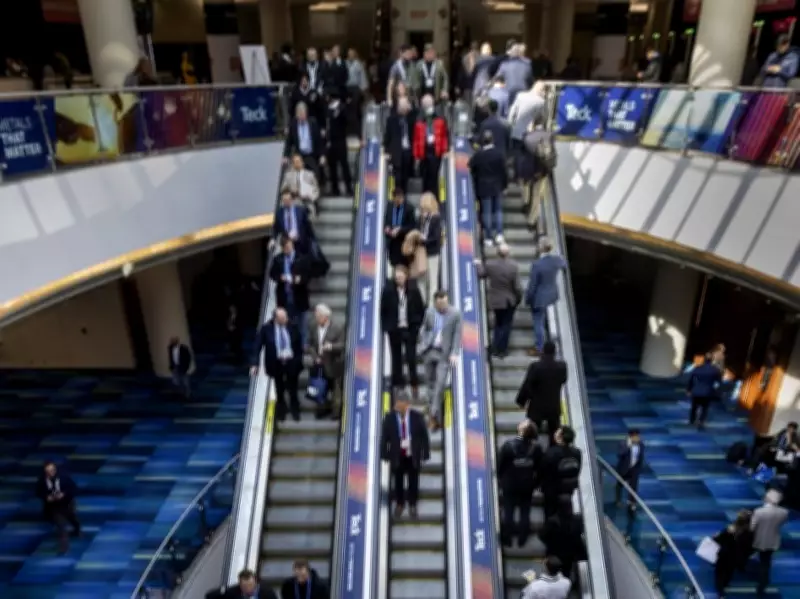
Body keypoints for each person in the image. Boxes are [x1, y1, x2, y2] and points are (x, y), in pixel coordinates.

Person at [381, 390, 431, 519]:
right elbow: (384, 437)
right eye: (397, 402)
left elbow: (424, 436)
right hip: (397, 455)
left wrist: (425, 453)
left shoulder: (416, 417)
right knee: (398, 481)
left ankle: (412, 504)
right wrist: (384, 453)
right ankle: (399, 503)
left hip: (412, 454)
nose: (397, 404)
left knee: (413, 480)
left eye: (400, 402)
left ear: (406, 404)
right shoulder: (390, 417)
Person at [419, 290, 462, 430]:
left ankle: (433, 415)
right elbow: (423, 328)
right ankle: (431, 406)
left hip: (444, 354)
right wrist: (424, 342)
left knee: (440, 386)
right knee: (429, 382)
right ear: (435, 303)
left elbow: (457, 334)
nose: (443, 306)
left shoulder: (455, 314)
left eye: (444, 303)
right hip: (429, 351)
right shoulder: (430, 312)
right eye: (440, 304)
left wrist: (455, 352)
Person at [251, 307, 303, 422]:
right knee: (279, 388)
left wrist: (299, 359)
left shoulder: (292, 326)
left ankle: (295, 410)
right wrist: (255, 363)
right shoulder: (266, 329)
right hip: (275, 363)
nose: (286, 319)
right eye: (283, 318)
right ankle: (281, 411)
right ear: (276, 318)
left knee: (293, 388)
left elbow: (299, 344)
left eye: (286, 317)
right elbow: (257, 346)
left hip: (291, 362)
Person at [496, 420, 542, 547]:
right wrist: (535, 483)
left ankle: (507, 539)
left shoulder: (508, 446)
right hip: (527, 485)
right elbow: (539, 468)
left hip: (510, 484)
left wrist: (501, 480)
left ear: (521, 430)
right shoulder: (536, 448)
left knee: (508, 511)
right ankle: (522, 538)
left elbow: (500, 466)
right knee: (525, 512)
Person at [381, 265, 425, 395]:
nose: (398, 279)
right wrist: (386, 326)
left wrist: (416, 325)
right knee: (396, 357)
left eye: (401, 277)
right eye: (396, 277)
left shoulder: (413, 290)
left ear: (406, 277)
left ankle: (414, 383)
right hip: (394, 329)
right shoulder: (388, 289)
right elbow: (383, 309)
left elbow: (420, 309)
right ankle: (398, 383)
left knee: (411, 357)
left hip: (409, 328)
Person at [474, 242, 520, 356]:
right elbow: (517, 287)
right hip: (509, 301)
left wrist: (478, 264)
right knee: (507, 325)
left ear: (497, 253)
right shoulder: (513, 266)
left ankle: (495, 347)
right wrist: (518, 299)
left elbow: (481, 274)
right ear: (508, 253)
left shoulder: (490, 265)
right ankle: (502, 350)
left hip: (496, 301)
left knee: (498, 323)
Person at [515, 341, 567, 441]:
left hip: (536, 406)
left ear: (543, 351)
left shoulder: (535, 367)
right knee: (554, 433)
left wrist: (521, 401)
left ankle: (533, 450)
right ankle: (553, 452)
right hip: (553, 406)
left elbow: (527, 385)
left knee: (531, 433)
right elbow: (563, 380)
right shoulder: (562, 367)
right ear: (554, 352)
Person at [525, 237, 566, 355]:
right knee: (543, 318)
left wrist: (528, 299)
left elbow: (532, 285)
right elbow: (564, 264)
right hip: (552, 294)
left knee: (538, 321)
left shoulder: (537, 265)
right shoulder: (557, 260)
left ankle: (539, 347)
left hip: (540, 298)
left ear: (541, 248)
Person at [269, 235, 312, 349]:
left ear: (292, 244)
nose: (287, 249)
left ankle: (303, 344)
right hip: (285, 295)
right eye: (285, 248)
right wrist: (280, 277)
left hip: (299, 295)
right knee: (287, 322)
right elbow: (272, 274)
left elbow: (308, 275)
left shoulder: (302, 258)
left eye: (288, 246)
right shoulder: (278, 259)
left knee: (302, 322)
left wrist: (300, 279)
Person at [469, 129, 507, 247]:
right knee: (498, 210)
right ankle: (499, 234)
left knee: (486, 212)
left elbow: (470, 166)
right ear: (492, 140)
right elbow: (504, 171)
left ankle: (488, 237)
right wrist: (504, 185)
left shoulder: (479, 155)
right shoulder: (499, 153)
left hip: (483, 187)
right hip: (497, 186)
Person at [307, 303, 346, 419]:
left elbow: (343, 345)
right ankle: (321, 410)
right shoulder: (313, 326)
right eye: (316, 316)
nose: (317, 318)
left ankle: (335, 413)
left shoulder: (338, 327)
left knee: (336, 390)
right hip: (318, 364)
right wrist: (315, 357)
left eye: (319, 316)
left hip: (333, 364)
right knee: (318, 388)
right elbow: (309, 345)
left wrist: (331, 347)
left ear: (326, 317)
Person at [751, 489, 789, 597]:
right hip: (773, 540)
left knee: (762, 561)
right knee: (766, 560)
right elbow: (782, 523)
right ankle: (764, 579)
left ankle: (762, 582)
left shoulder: (759, 512)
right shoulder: (784, 512)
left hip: (759, 539)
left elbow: (752, 527)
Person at [36, 462, 80, 554]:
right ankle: (64, 548)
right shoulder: (42, 481)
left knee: (72, 518)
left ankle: (77, 530)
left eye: (52, 470)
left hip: (67, 503)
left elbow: (74, 489)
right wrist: (46, 497)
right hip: (54, 507)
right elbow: (38, 492)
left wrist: (63, 494)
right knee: (61, 526)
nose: (51, 472)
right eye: (48, 471)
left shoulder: (64, 478)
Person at [508, 81, 547, 181]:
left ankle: (516, 176)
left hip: (516, 130)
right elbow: (542, 118)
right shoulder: (540, 102)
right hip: (529, 133)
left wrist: (510, 126)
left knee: (516, 154)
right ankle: (524, 177)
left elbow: (512, 112)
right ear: (542, 90)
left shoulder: (520, 96)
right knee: (527, 156)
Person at [541, 426, 582, 518]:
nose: (555, 434)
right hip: (568, 487)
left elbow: (544, 470)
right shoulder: (577, 452)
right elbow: (577, 469)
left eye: (557, 433)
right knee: (565, 512)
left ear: (560, 437)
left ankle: (551, 529)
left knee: (550, 512)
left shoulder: (551, 453)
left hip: (552, 488)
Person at [540, 498, 586, 579]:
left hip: (555, 552)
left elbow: (542, 536)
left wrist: (550, 543)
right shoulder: (577, 520)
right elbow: (580, 532)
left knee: (553, 573)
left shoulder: (552, 521)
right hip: (570, 553)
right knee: (566, 571)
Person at [712, 510, 754, 599]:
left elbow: (717, 540)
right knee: (729, 572)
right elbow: (750, 546)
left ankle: (720, 591)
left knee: (719, 573)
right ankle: (725, 585)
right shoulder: (750, 533)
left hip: (724, 555)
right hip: (736, 556)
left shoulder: (729, 530)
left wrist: (716, 536)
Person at [413, 94, 449, 197]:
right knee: (425, 179)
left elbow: (444, 136)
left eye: (429, 105)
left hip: (435, 151)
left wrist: (445, 150)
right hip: (424, 152)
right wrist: (416, 156)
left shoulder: (440, 119)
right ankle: (425, 201)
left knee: (434, 178)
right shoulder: (419, 121)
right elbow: (416, 140)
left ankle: (434, 200)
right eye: (426, 105)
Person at [284, 103, 325, 186]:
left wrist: (322, 155)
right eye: (300, 114)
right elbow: (289, 142)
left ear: (306, 113)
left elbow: (319, 141)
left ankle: (314, 192)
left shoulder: (313, 123)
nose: (302, 117)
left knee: (315, 174)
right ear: (296, 115)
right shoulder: (293, 125)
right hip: (300, 155)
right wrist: (286, 156)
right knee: (298, 176)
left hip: (311, 154)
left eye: (303, 114)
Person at [324, 88, 354, 197]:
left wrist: (341, 112)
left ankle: (349, 188)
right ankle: (335, 189)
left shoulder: (342, 107)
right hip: (330, 141)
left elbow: (348, 121)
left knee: (344, 164)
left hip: (340, 140)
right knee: (332, 166)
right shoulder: (327, 109)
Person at [384, 97, 415, 193]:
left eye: (405, 106)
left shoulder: (410, 118)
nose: (403, 108)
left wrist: (411, 109)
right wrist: (386, 151)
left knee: (405, 176)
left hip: (407, 150)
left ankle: (404, 196)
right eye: (401, 106)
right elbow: (387, 137)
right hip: (396, 151)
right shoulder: (391, 119)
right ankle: (397, 195)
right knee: (397, 176)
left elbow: (418, 114)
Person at [417, 192, 442, 305]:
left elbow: (436, 237)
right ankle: (422, 303)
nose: (423, 210)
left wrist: (424, 240)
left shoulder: (436, 218)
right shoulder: (421, 219)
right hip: (422, 253)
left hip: (432, 253)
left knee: (432, 281)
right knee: (421, 280)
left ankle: (431, 305)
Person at [686, 354, 722, 430]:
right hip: (707, 391)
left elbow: (691, 380)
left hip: (696, 391)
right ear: (711, 361)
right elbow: (719, 382)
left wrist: (689, 390)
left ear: (704, 360)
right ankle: (701, 422)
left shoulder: (698, 368)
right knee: (705, 408)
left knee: (694, 407)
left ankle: (692, 420)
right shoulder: (715, 370)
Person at [383, 187, 416, 269]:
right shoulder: (389, 206)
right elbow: (386, 221)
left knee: (404, 266)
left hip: (404, 241)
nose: (398, 202)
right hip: (392, 242)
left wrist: (400, 229)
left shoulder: (409, 208)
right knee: (393, 264)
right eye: (396, 200)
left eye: (400, 199)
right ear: (393, 198)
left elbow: (412, 226)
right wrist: (387, 228)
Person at [274, 189, 314, 254]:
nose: (287, 202)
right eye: (285, 200)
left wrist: (311, 240)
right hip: (287, 244)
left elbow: (308, 226)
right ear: (282, 201)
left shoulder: (300, 210)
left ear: (292, 200)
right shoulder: (279, 213)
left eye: (288, 200)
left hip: (301, 243)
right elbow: (275, 228)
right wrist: (273, 239)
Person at [281, 155, 320, 220]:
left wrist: (311, 197)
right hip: (293, 200)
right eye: (295, 162)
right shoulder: (288, 175)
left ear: (302, 162)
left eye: (298, 161)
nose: (297, 163)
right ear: (293, 164)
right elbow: (282, 190)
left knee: (306, 213)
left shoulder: (310, 174)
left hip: (307, 202)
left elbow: (316, 190)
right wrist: (290, 192)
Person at [615, 429, 645, 509]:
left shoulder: (641, 444)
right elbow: (620, 455)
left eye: (638, 436)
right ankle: (618, 500)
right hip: (624, 468)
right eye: (636, 436)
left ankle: (632, 502)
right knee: (620, 485)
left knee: (634, 486)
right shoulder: (623, 443)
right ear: (631, 436)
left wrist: (639, 467)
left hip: (634, 469)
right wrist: (628, 447)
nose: (638, 437)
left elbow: (641, 456)